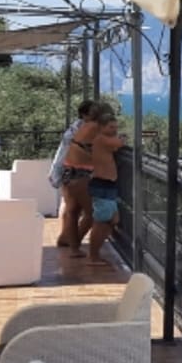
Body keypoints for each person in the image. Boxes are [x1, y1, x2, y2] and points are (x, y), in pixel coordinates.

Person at [55, 100, 100, 255]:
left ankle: (70, 244)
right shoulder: (91, 127)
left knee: (73, 211)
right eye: (94, 112)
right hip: (81, 173)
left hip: (67, 171)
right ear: (85, 114)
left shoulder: (75, 128)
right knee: (93, 214)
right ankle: (77, 245)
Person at [86, 111, 126, 268]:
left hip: (108, 185)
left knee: (113, 219)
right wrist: (121, 138)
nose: (114, 130)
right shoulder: (102, 139)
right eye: (110, 127)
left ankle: (96, 252)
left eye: (115, 127)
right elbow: (119, 143)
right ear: (101, 127)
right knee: (100, 221)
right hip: (102, 184)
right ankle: (93, 256)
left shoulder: (102, 140)